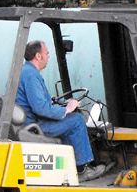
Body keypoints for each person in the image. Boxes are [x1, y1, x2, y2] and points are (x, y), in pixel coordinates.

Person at [15, 40, 106, 182]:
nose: (48, 56)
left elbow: (39, 103)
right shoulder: (31, 75)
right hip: (35, 125)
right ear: (38, 56)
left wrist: (60, 105)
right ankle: (82, 170)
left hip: (29, 121)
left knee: (68, 119)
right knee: (76, 120)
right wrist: (67, 109)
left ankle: (70, 165)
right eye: (47, 53)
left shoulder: (25, 71)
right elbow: (40, 108)